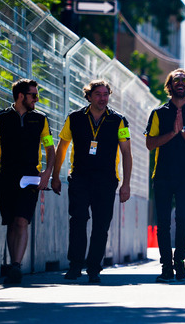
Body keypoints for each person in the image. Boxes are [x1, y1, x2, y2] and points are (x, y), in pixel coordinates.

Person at [51, 80, 132, 284]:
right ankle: (75, 265)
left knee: (101, 225)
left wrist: (126, 184)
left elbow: (126, 153)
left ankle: (94, 268)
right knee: (78, 221)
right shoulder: (75, 118)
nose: (102, 98)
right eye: (98, 94)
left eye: (106, 94)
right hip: (79, 177)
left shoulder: (118, 121)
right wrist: (55, 176)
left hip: (106, 180)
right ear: (88, 96)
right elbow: (61, 148)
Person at [0, 79, 56, 284]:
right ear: (21, 96)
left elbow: (50, 148)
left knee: (22, 220)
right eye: (34, 95)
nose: (37, 99)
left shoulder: (41, 119)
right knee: (11, 222)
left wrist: (47, 172)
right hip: (6, 175)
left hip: (31, 176)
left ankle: (16, 265)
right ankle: (14, 265)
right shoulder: (2, 117)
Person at [145, 69, 185, 283]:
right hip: (161, 174)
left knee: (182, 219)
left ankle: (179, 261)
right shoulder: (158, 113)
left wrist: (182, 131)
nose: (180, 82)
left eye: (184, 80)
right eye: (176, 80)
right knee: (163, 222)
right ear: (169, 86)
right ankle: (166, 266)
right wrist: (172, 132)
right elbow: (150, 144)